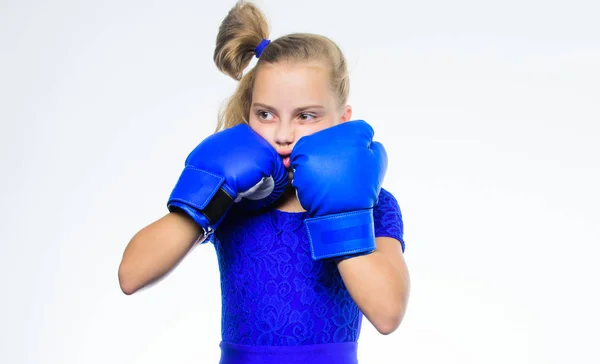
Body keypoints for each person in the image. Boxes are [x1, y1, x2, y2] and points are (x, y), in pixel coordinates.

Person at [118, 1, 411, 363]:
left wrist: (340, 208)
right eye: (266, 114)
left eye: (306, 115)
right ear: (249, 111)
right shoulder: (236, 198)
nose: (284, 134)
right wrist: (209, 197)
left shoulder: (374, 204)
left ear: (343, 119)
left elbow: (387, 313)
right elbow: (131, 276)